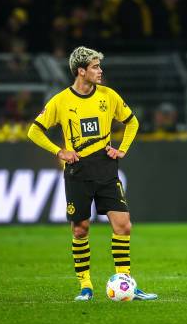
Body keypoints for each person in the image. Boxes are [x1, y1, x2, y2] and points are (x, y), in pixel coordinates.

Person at [27, 46, 157, 302]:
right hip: (78, 172)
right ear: (81, 71)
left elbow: (132, 122)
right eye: (95, 66)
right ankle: (85, 286)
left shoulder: (108, 96)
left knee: (123, 226)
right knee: (80, 230)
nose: (100, 71)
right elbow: (34, 131)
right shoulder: (61, 101)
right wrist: (58, 151)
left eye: (100, 66)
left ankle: (126, 282)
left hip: (106, 170)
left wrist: (122, 149)